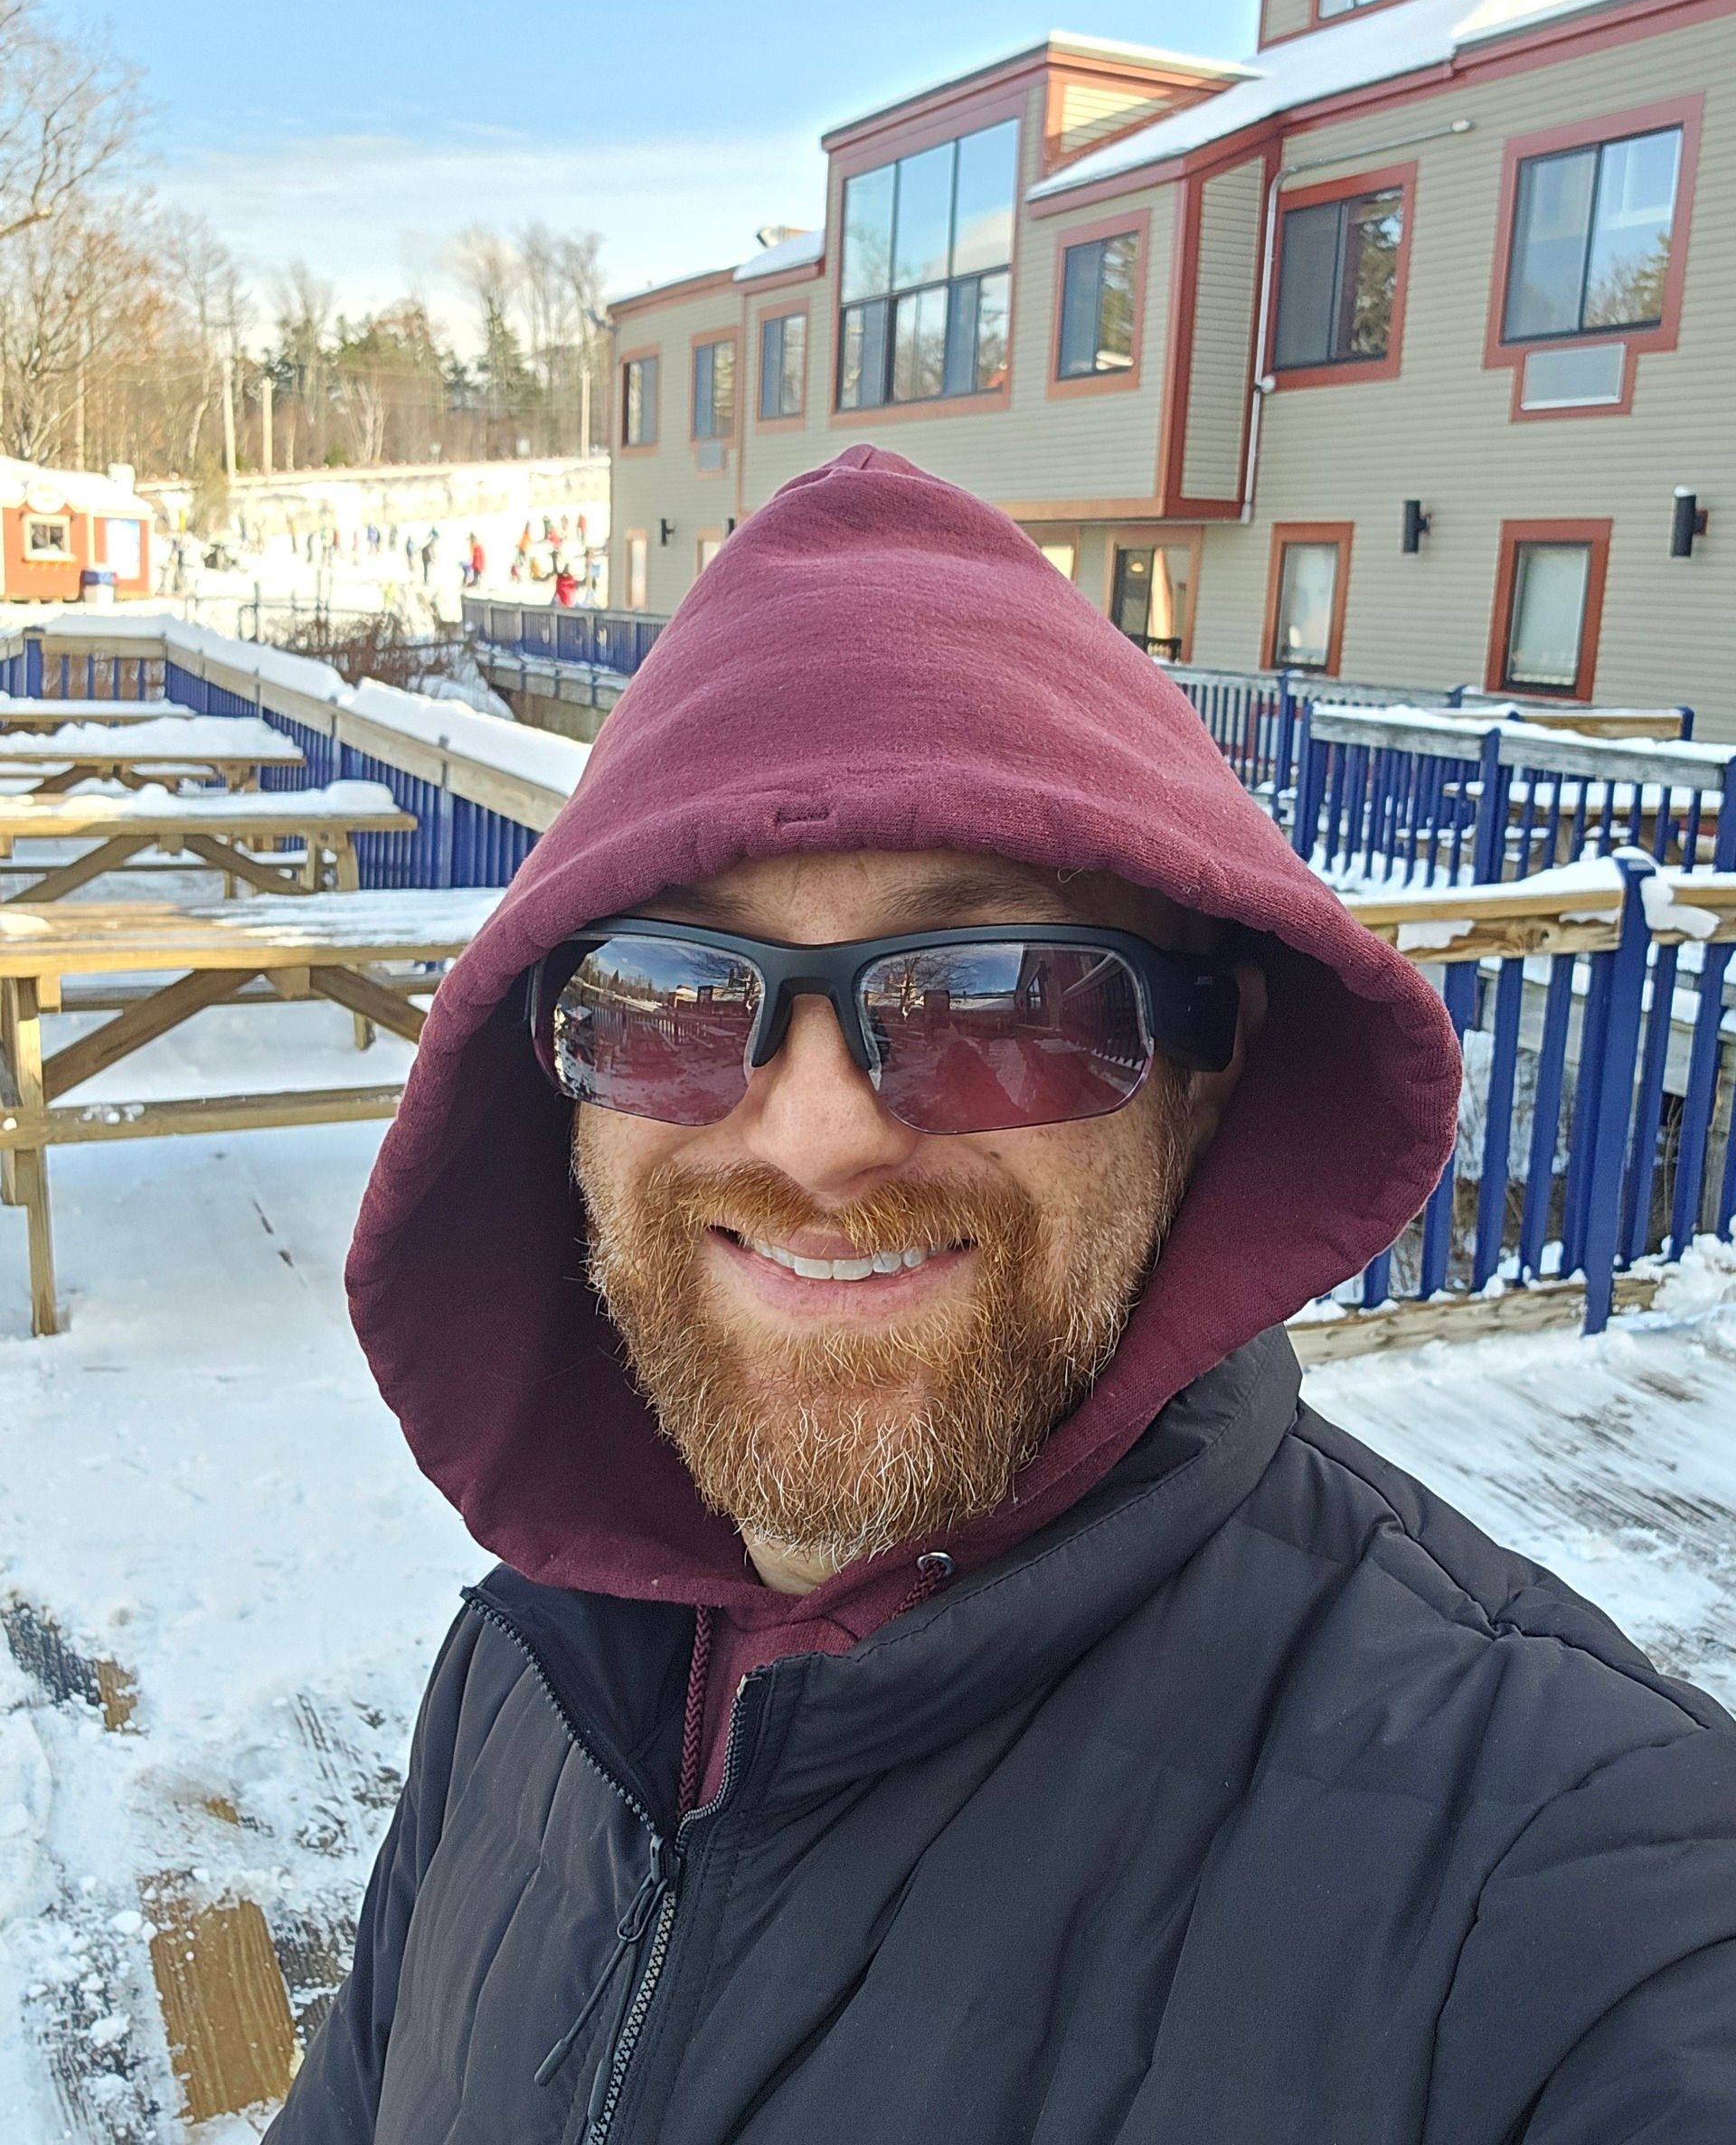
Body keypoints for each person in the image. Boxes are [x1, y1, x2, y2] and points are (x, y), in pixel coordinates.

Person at [269, 448, 1736, 2145]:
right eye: (666, 991)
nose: (817, 1137)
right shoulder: (528, 1676)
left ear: (1206, 1069)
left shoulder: (1574, 1904)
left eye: (998, 996)